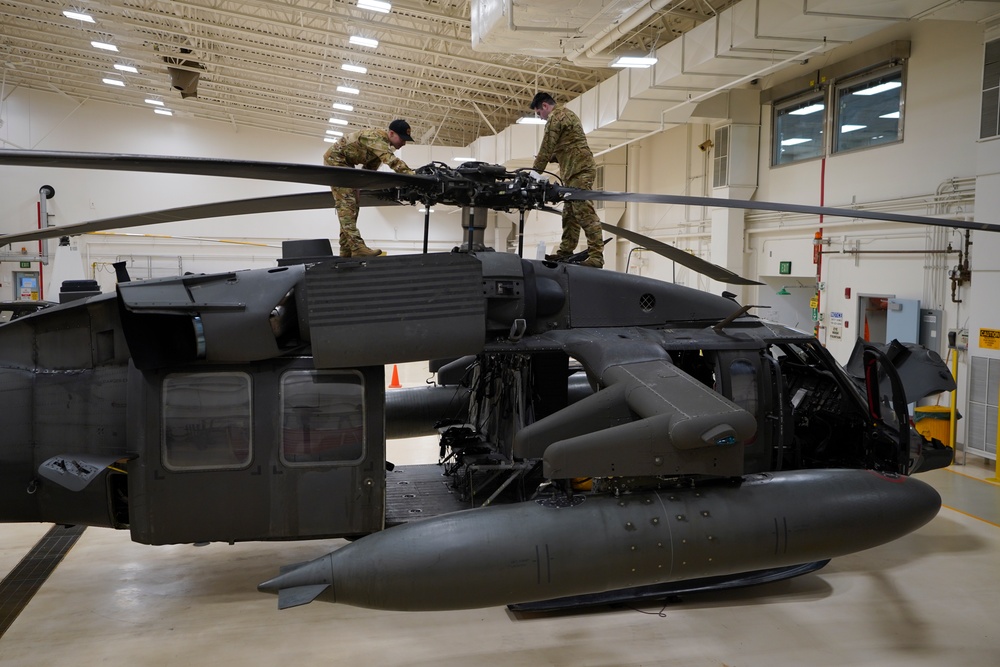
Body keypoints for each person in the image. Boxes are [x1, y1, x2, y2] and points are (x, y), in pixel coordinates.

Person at [529, 92, 604, 268]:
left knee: (584, 212)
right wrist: (553, 157)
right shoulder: (566, 115)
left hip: (579, 171)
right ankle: (565, 252)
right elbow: (567, 146)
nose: (541, 118)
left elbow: (546, 148)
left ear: (545, 106)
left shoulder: (556, 118)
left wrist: (533, 174)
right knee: (569, 214)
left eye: (539, 113)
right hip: (573, 171)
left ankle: (596, 256)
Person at [323, 119, 415, 257]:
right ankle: (357, 247)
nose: (404, 142)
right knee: (347, 205)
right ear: (391, 133)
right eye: (402, 138)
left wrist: (359, 186)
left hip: (347, 165)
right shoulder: (375, 138)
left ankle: (346, 250)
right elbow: (391, 161)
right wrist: (412, 176)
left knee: (352, 207)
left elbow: (368, 171)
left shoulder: (380, 147)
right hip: (336, 161)